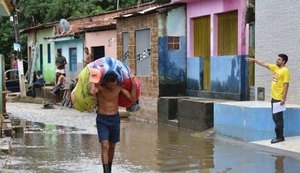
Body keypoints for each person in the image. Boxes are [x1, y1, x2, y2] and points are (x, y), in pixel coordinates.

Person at [89, 71, 136, 173]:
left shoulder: (118, 88)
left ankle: (109, 169)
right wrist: (92, 78)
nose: (112, 87)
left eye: (114, 84)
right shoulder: (100, 88)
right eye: (110, 85)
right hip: (102, 119)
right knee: (105, 145)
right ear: (105, 82)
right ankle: (105, 171)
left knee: (112, 146)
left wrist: (134, 83)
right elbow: (92, 91)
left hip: (115, 119)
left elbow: (132, 97)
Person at [246, 54, 290, 144]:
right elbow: (264, 64)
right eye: (277, 59)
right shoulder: (275, 68)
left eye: (279, 59)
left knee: (278, 119)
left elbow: (286, 85)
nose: (277, 60)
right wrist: (254, 60)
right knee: (275, 118)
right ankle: (279, 136)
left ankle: (280, 137)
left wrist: (283, 98)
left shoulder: (285, 71)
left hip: (279, 99)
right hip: (274, 98)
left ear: (284, 61)